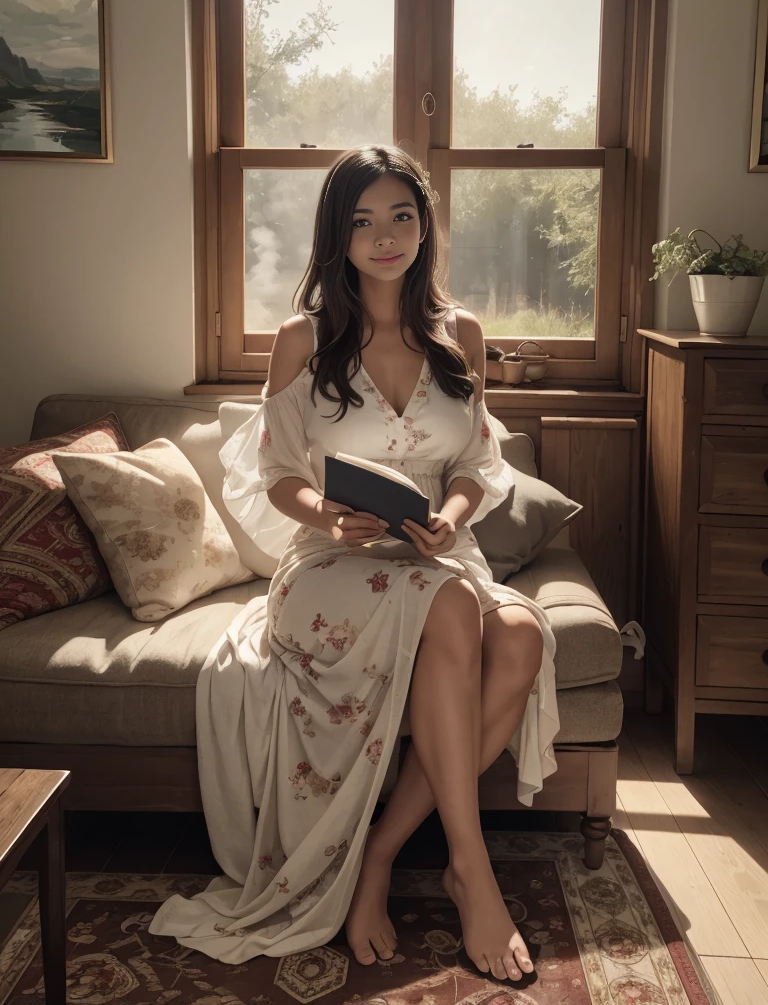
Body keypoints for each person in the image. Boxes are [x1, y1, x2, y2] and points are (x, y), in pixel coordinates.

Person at [149, 145, 558, 982]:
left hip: (439, 552)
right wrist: (331, 519)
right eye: (362, 221)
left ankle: (379, 856)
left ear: (424, 226)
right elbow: (279, 476)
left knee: (520, 636)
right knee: (453, 611)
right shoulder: (305, 338)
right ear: (337, 234)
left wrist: (447, 517)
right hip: (333, 564)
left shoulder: (462, 335)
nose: (384, 237)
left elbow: (478, 466)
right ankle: (471, 873)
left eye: (401, 217)